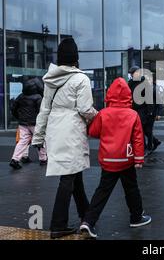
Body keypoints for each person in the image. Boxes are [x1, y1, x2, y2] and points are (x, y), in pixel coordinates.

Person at [32, 37, 97, 239]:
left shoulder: (50, 80)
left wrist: (38, 137)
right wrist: (99, 116)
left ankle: (86, 216)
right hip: (71, 132)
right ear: (76, 59)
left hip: (55, 130)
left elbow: (44, 110)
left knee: (74, 176)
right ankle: (58, 224)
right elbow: (85, 109)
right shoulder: (81, 79)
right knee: (68, 178)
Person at [79, 77, 151, 239]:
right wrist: (139, 159)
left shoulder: (103, 114)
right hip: (126, 159)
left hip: (108, 159)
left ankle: (88, 221)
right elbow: (138, 139)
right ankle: (136, 217)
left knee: (102, 191)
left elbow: (93, 132)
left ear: (109, 95)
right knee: (131, 188)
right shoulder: (133, 114)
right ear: (128, 96)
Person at [9, 78, 47, 169]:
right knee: (41, 140)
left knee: (22, 141)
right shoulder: (38, 97)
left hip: (23, 123)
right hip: (35, 123)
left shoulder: (20, 96)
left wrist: (18, 118)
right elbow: (41, 112)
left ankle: (15, 159)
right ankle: (43, 159)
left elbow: (13, 108)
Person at [128, 66, 161, 154]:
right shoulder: (130, 83)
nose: (132, 75)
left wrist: (150, 112)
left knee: (144, 130)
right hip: (134, 110)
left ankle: (146, 147)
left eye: (133, 73)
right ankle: (153, 143)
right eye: (131, 74)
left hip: (143, 110)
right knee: (142, 130)